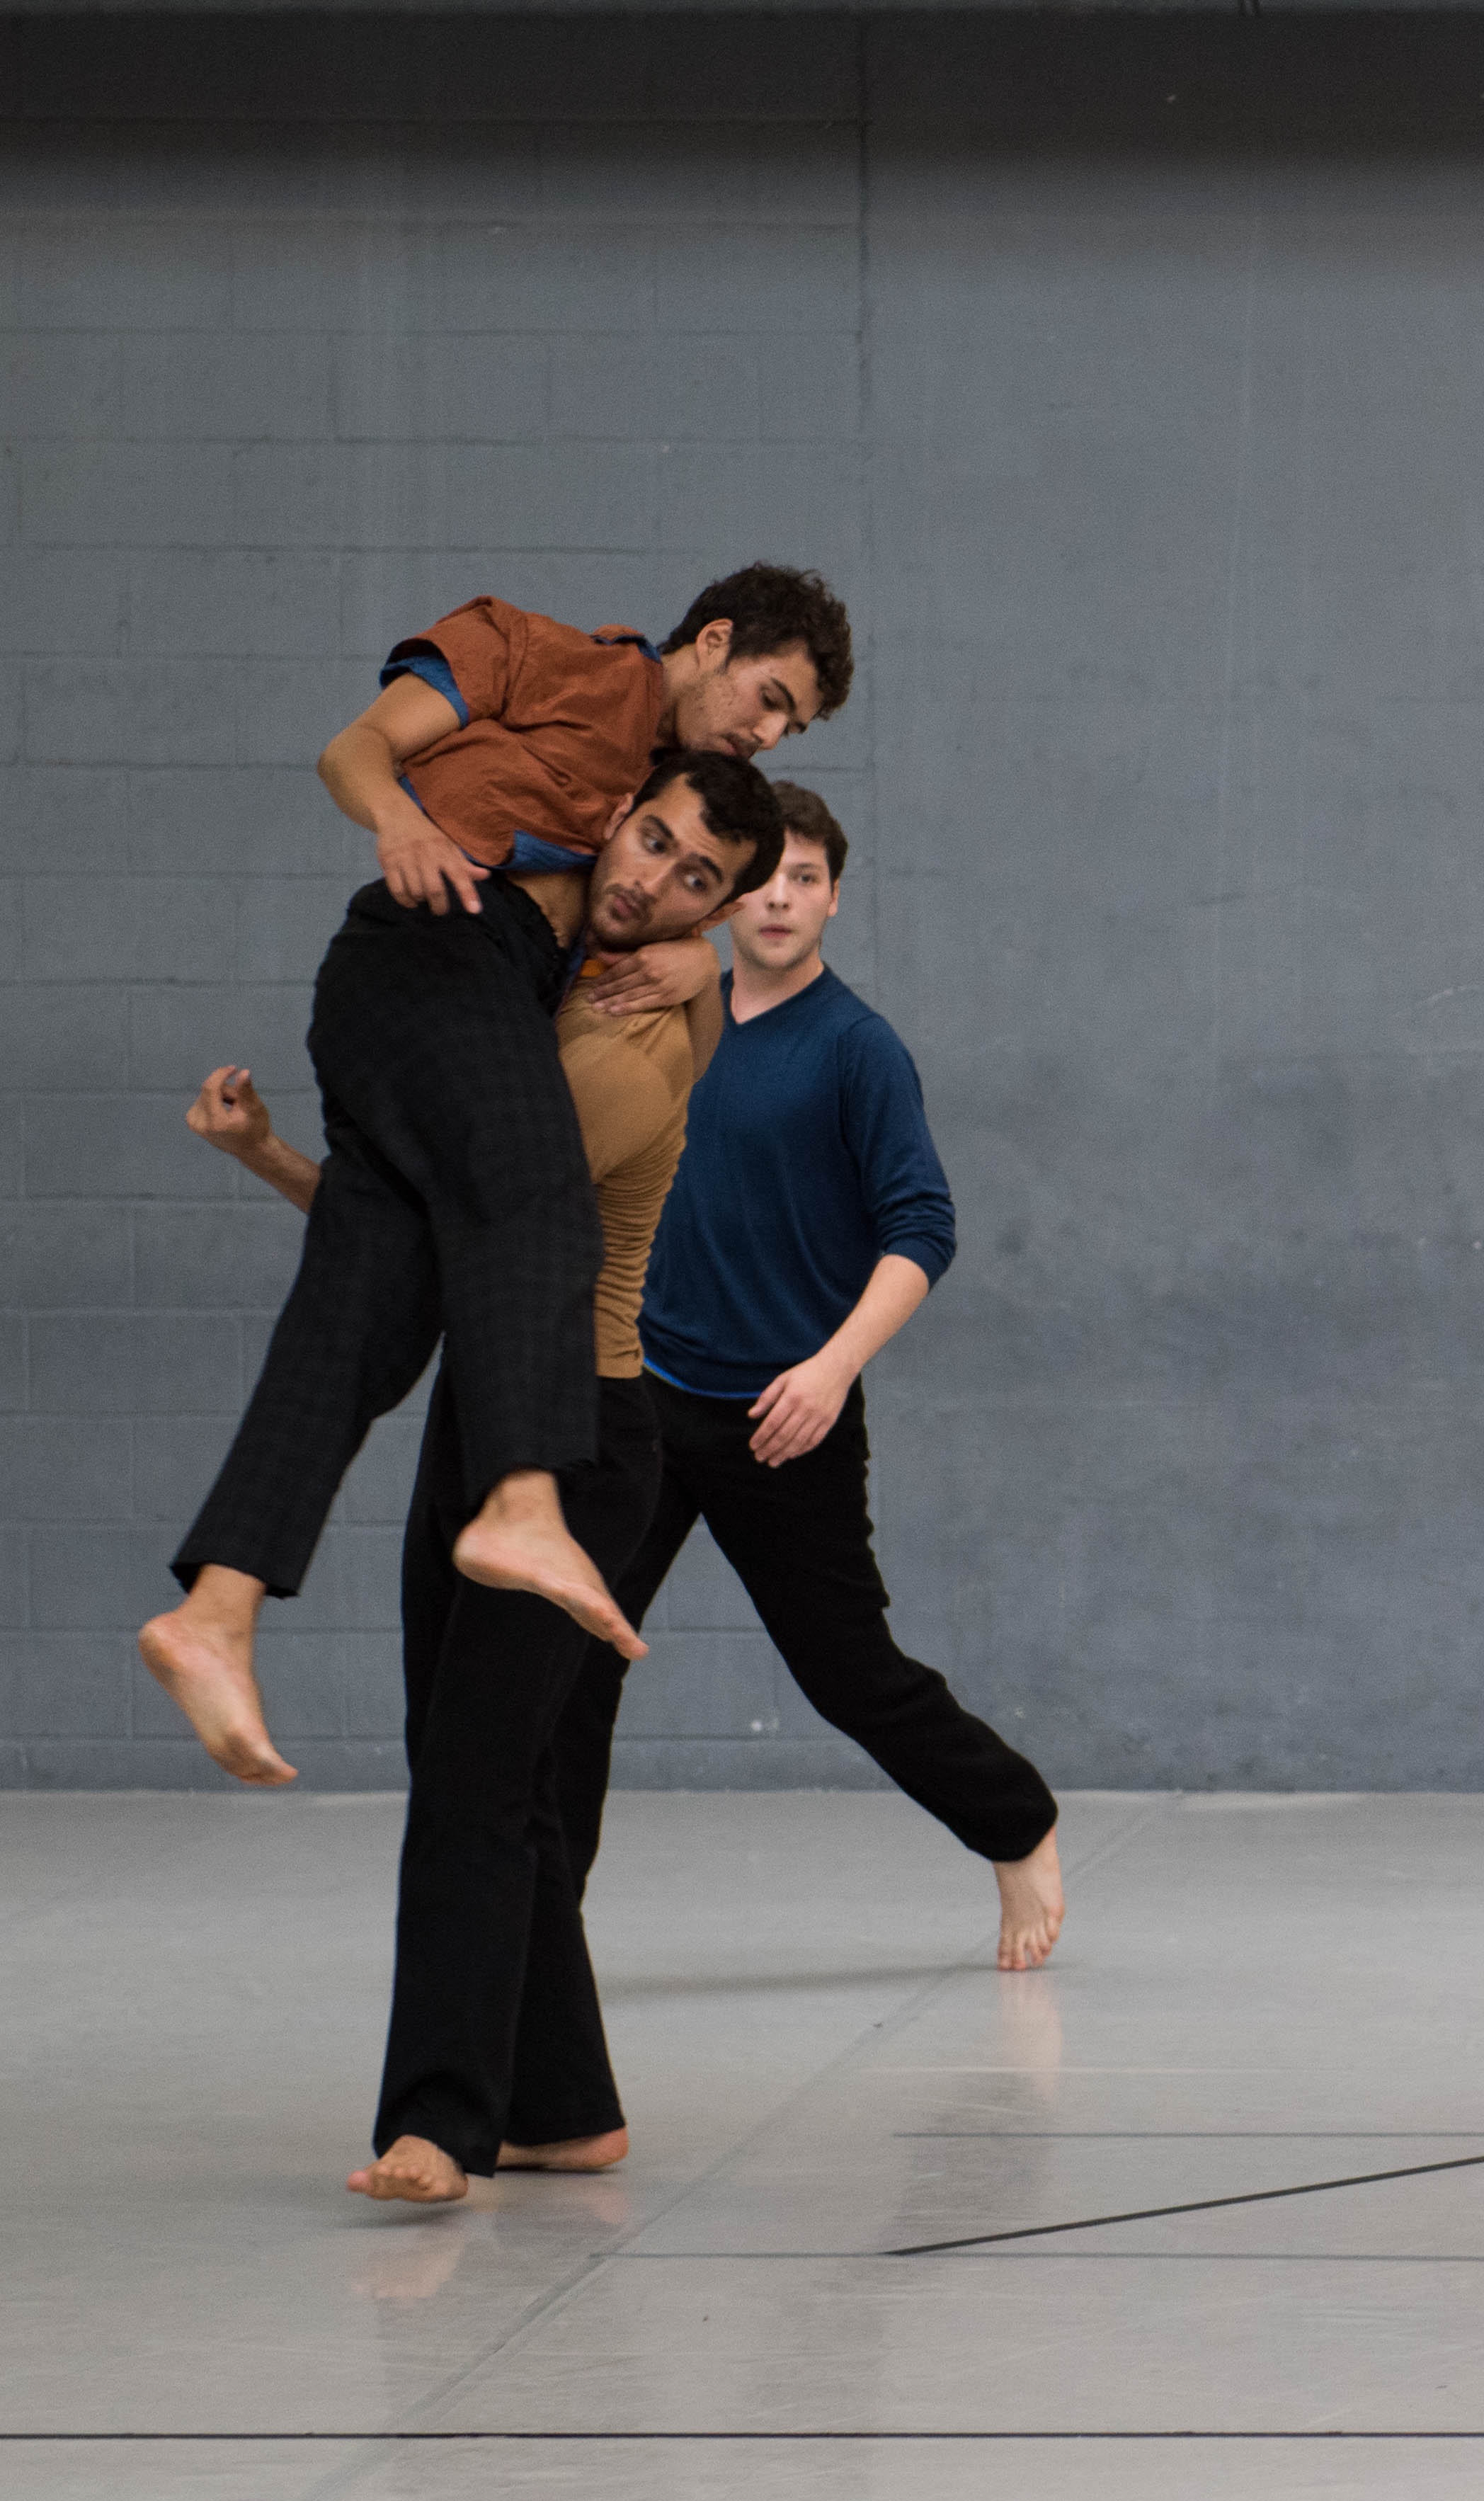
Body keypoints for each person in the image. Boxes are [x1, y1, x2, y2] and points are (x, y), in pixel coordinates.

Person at [181, 752, 787, 2204]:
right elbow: (423, 1221)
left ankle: (439, 2125)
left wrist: (698, 976)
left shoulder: (629, 1051)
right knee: (482, 1770)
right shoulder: (555, 990)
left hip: (579, 1441)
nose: (653, 879)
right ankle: (564, 2108)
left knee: (473, 1782)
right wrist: (270, 1154)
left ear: (715, 913)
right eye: (653, 840)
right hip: (495, 1417)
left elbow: (460, 1225)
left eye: (696, 879)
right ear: (614, 821)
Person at [139, 566, 854, 1790]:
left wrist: (700, 962)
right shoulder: (544, 653)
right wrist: (402, 823)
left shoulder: (661, 793)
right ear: (716, 641)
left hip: (486, 999)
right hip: (440, 947)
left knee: (368, 1312)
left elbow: (667, 896)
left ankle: (216, 1608)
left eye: (794, 724)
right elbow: (355, 751)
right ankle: (523, 1507)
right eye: (772, 697)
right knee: (541, 1195)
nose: (772, 731)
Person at [543, 785, 1069, 1972]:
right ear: (725, 897)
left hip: (786, 1417)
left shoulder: (855, 1048)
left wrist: (831, 1371)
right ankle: (541, 1930)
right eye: (764, 877)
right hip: (646, 1393)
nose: (780, 899)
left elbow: (922, 1227)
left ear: (835, 898)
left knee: (849, 1675)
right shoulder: (672, 1008)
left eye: (807, 879)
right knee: (572, 1659)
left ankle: (1016, 1821)